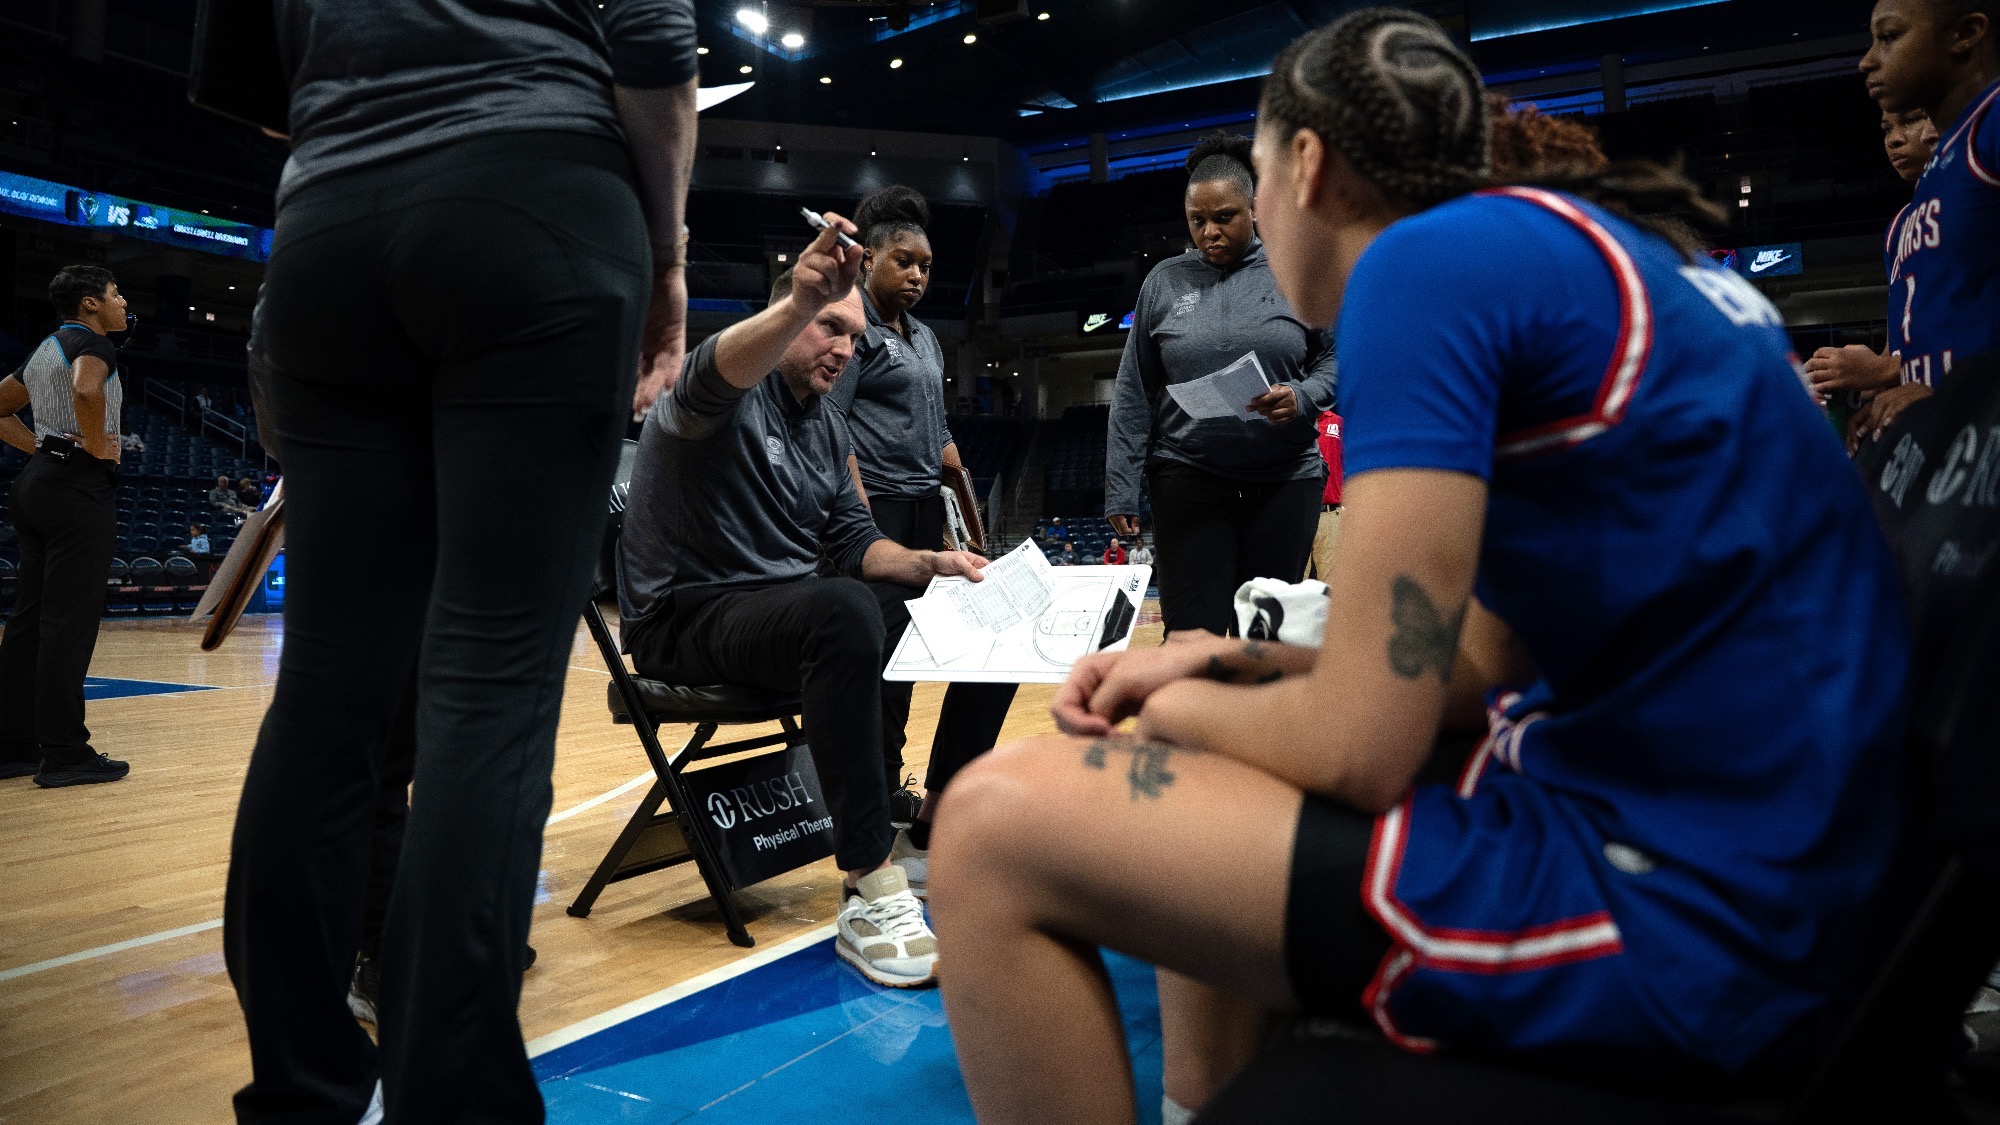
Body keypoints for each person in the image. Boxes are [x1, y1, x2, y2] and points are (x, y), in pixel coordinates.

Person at [928, 11, 1910, 1124]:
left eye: (1257, 179)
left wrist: (1176, 703)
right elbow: (1479, 659)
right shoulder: (1577, 248)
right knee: (1197, 727)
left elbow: (1360, 747)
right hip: (1801, 875)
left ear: (1307, 164)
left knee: (988, 829)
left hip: (1706, 917)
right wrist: (1231, 666)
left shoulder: (1418, 263)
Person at [222, 1, 699, 1121]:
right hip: (536, 203)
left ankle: (301, 1092)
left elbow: (263, 96)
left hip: (327, 226)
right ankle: (454, 1098)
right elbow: (653, 39)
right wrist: (668, 256)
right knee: (491, 685)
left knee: (325, 691)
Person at [620, 221, 1011, 987]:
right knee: (842, 610)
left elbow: (857, 539)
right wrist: (801, 300)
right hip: (685, 618)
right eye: (828, 326)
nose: (843, 347)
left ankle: (927, 821)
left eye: (853, 336)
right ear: (786, 315)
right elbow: (713, 374)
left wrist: (933, 563)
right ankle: (868, 882)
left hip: (776, 617)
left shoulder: (828, 425)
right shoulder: (718, 395)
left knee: (971, 609)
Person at [826, 184, 1018, 829]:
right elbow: (832, 428)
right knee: (884, 670)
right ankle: (878, 796)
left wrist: (968, 511)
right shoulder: (851, 328)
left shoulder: (928, 339)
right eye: (903, 261)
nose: (916, 275)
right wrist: (859, 528)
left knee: (984, 650)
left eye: (926, 266)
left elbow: (941, 439)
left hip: (926, 518)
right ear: (868, 259)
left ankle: (937, 798)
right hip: (873, 518)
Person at [1105, 131, 1338, 637]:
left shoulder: (1298, 268)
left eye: (1224, 217)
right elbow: (1132, 391)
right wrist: (1121, 487)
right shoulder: (1163, 282)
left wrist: (1303, 396)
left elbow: (1338, 357)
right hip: (1188, 476)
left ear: (1254, 209)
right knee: (1192, 638)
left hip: (1283, 480)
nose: (1209, 232)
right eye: (1197, 220)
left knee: (1265, 641)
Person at [0, 265, 130, 788]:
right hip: (76, 490)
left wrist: (41, 448)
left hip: (36, 486)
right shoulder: (95, 345)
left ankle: (11, 746)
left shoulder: (43, 349)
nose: (123, 302)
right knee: (68, 625)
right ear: (90, 303)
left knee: (29, 621)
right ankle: (65, 753)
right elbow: (87, 391)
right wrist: (97, 448)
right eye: (116, 293)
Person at [1852, 0, 2000, 444]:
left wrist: (1950, 395)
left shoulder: (1992, 121)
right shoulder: (1938, 170)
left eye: (1889, 37)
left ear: (1965, 34)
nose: (1867, 60)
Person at [1808, 106, 1938, 440]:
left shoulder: (1976, 203)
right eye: (1886, 128)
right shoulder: (1898, 227)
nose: (1894, 139)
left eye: (1910, 120)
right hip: (1932, 419)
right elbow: (1895, 348)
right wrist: (1863, 382)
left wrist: (1882, 370)